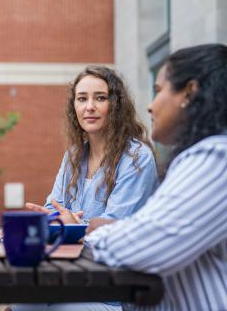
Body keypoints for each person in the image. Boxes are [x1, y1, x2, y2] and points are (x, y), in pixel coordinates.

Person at [85, 44, 227, 310]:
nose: (150, 106)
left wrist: (98, 234)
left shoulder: (216, 158)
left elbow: (142, 247)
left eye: (159, 91)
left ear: (189, 92)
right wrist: (119, 230)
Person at [11, 66, 158, 311]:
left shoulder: (136, 158)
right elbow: (53, 208)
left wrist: (74, 226)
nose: (89, 106)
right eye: (82, 99)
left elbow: (114, 229)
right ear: (74, 108)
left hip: (114, 290)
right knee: (23, 304)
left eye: (100, 98)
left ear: (116, 105)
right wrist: (49, 221)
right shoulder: (73, 156)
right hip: (71, 279)